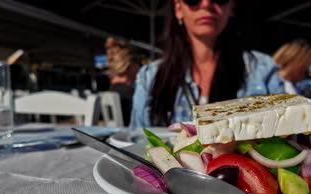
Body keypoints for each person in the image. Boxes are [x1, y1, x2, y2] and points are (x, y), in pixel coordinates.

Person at [129, 0, 285, 128]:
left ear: (231, 7)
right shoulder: (149, 77)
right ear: (178, 8)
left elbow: (285, 138)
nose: (206, 4)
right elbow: (134, 146)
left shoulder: (263, 70)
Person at [105, 38, 140, 125]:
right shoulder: (132, 94)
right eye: (137, 63)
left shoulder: (109, 92)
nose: (139, 67)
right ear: (129, 65)